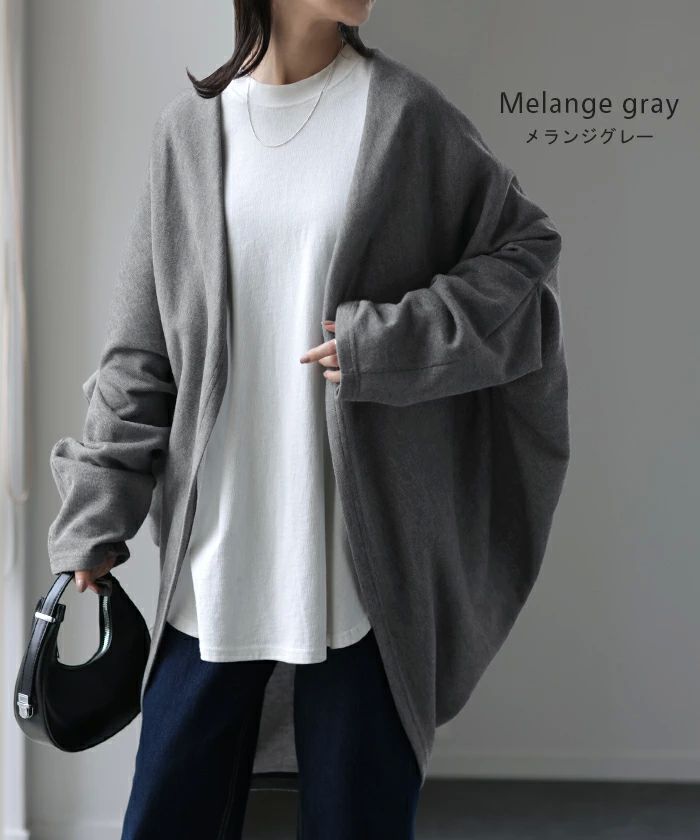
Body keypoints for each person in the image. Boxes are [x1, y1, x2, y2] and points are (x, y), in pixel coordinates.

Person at [47, 0, 569, 837]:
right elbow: (142, 352)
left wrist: (391, 342)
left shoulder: (406, 118)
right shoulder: (188, 135)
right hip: (216, 566)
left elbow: (525, 255)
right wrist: (95, 514)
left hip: (362, 578)